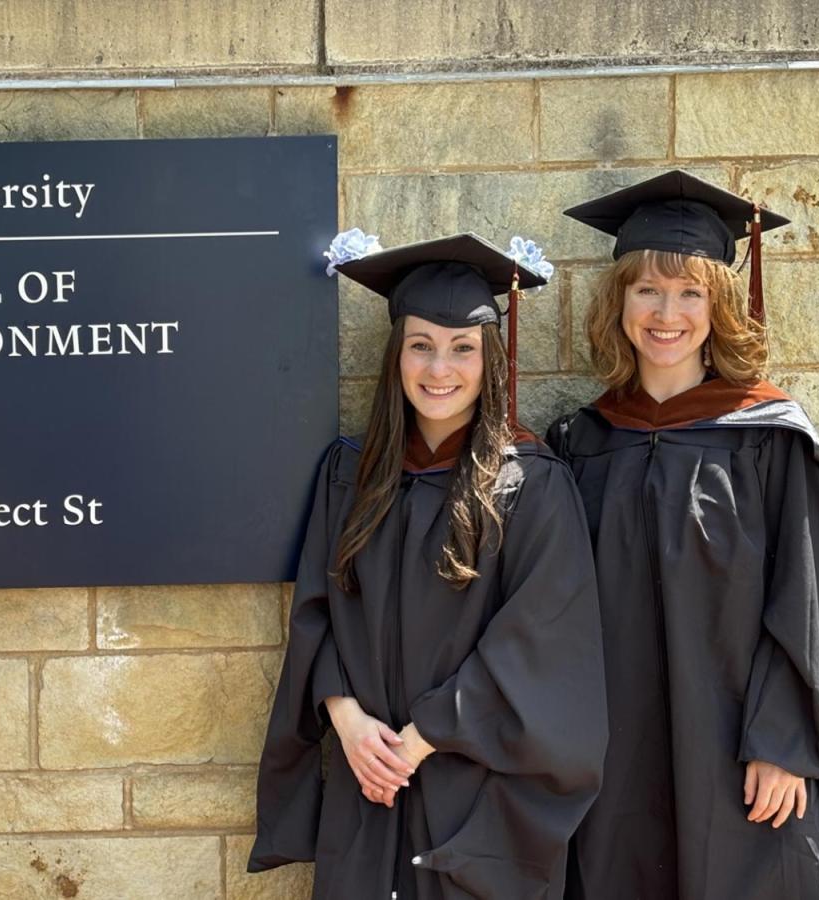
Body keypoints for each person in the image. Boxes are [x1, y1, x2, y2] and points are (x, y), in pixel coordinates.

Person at [550, 170, 819, 900]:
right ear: (618, 301)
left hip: (740, 751)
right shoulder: (584, 444)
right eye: (648, 289)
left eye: (691, 293)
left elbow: (810, 599)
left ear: (719, 307)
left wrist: (783, 743)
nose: (667, 313)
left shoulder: (767, 440)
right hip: (619, 755)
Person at [250, 232, 608, 899]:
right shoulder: (349, 476)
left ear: (490, 358)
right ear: (396, 357)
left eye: (462, 348)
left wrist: (420, 741)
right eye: (421, 345)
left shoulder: (530, 485)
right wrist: (349, 723)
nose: (439, 368)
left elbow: (541, 643)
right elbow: (316, 612)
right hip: (369, 780)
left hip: (478, 795)